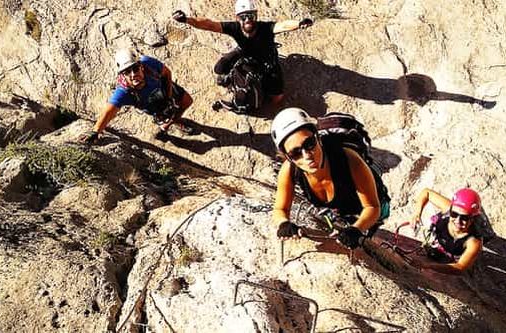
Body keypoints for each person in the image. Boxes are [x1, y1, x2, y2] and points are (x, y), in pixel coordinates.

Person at [270, 108, 384, 249]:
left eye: (309, 144)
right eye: (296, 153)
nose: (307, 155)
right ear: (287, 156)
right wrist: (284, 223)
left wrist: (357, 229)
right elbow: (280, 208)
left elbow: (373, 206)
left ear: (318, 138)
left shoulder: (348, 159)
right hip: (339, 209)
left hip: (372, 204)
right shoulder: (289, 170)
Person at [172, 0, 312, 108]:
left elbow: (283, 25)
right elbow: (209, 25)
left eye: (251, 16)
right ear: (237, 18)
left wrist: (299, 23)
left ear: (256, 16)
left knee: (276, 99)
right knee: (219, 69)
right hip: (245, 57)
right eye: (243, 17)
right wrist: (187, 20)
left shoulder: (265, 28)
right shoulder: (234, 28)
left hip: (269, 64)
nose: (247, 20)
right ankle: (232, 80)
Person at [80, 49, 197, 144]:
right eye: (127, 72)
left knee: (187, 102)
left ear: (140, 66)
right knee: (165, 114)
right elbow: (109, 112)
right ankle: (167, 126)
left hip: (165, 89)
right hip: (151, 104)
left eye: (135, 69)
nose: (133, 75)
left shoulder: (148, 64)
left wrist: (169, 95)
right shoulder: (124, 92)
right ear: (122, 75)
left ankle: (171, 122)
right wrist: (95, 132)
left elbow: (167, 73)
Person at [409, 188, 485, 274]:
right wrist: (416, 214)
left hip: (454, 253)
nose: (457, 221)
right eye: (454, 214)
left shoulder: (474, 242)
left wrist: (429, 266)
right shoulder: (448, 208)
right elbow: (426, 192)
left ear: (472, 219)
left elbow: (460, 267)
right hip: (440, 240)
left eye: (464, 218)